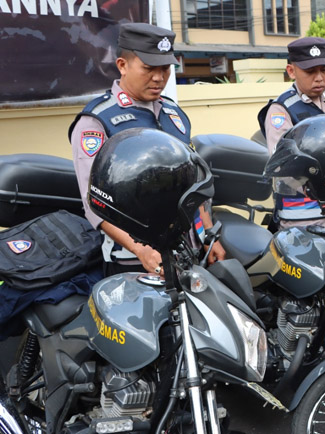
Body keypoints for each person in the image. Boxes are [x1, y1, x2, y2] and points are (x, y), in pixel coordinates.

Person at [69, 22, 225, 277]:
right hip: (134, 261)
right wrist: (141, 250)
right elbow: (94, 203)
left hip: (189, 250)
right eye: (149, 68)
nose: (159, 78)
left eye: (165, 69)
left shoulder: (173, 113)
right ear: (122, 65)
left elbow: (195, 185)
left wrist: (208, 234)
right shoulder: (98, 120)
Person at [258, 37, 325, 229]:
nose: (319, 77)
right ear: (291, 71)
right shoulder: (281, 110)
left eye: (324, 69)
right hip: (301, 217)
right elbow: (282, 167)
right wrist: (320, 189)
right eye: (309, 71)